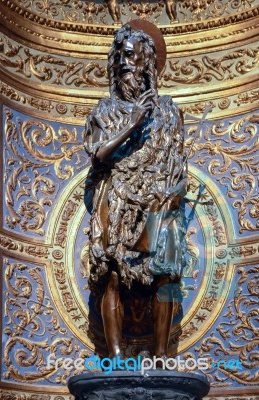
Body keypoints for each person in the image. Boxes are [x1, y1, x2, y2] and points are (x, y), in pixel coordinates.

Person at [83, 22, 188, 359]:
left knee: (164, 275)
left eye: (129, 56)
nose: (123, 63)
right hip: (117, 197)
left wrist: (174, 192)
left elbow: (179, 159)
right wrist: (132, 122)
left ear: (147, 61)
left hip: (158, 197)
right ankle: (114, 359)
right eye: (118, 57)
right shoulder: (106, 110)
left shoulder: (169, 111)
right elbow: (99, 153)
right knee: (111, 273)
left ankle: (160, 357)